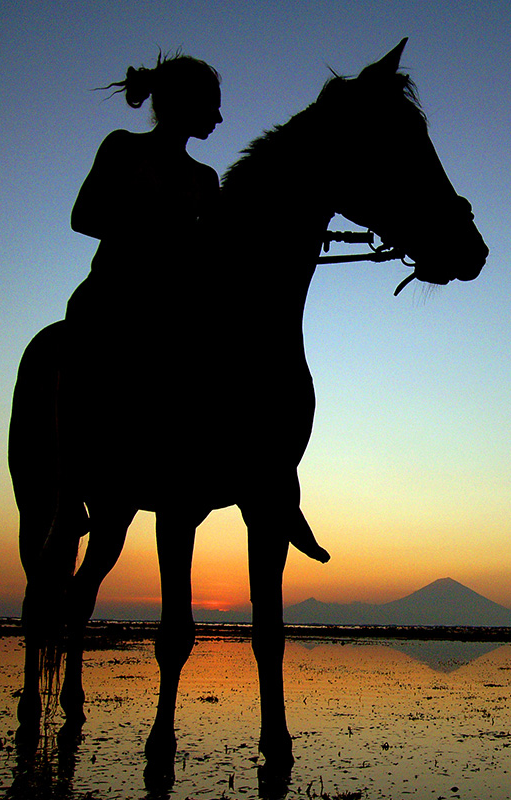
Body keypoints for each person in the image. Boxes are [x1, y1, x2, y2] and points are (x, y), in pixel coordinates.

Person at [64, 52, 329, 564]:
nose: (220, 118)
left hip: (174, 303)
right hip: (116, 294)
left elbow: (219, 246)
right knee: (83, 344)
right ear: (184, 105)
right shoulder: (123, 148)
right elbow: (85, 215)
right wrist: (160, 231)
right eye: (213, 106)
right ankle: (71, 479)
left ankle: (267, 480)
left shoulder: (207, 179)